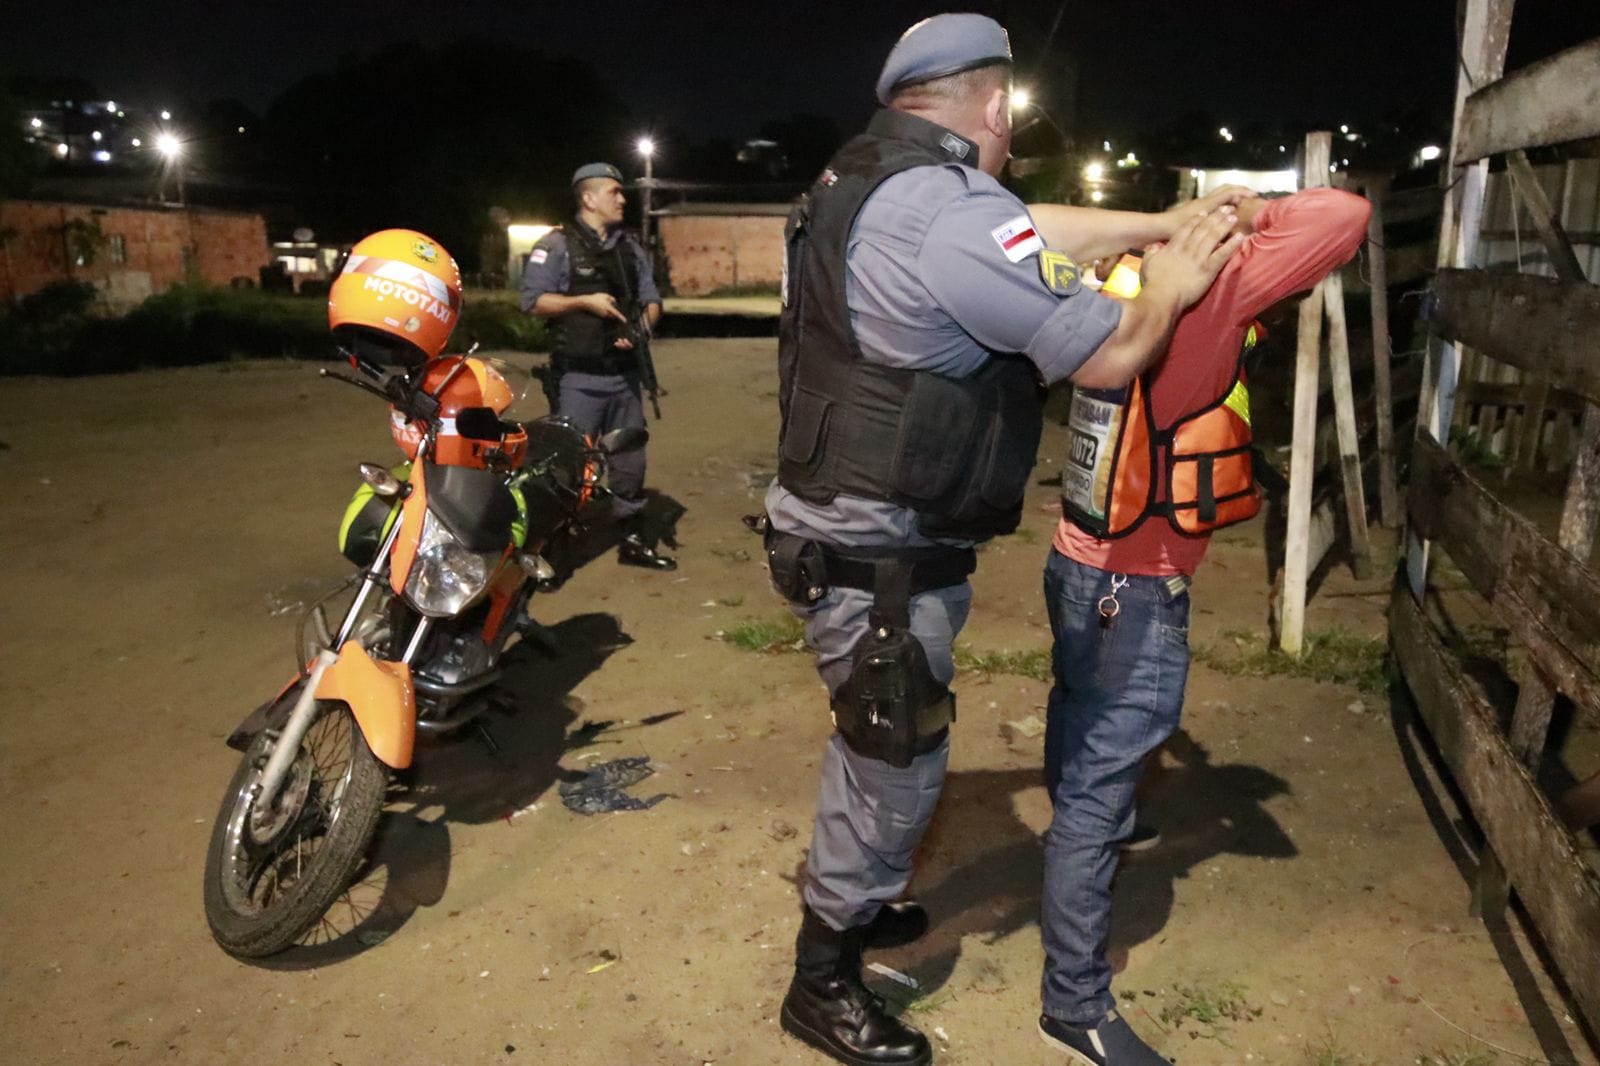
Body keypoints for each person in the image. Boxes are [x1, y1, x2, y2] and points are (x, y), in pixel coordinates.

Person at [761, 14, 1249, 1066]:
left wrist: (1148, 220)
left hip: (842, 527)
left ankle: (860, 900)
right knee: (896, 762)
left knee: (876, 742)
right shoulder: (945, 210)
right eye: (1011, 122)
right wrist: (1171, 281)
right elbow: (1114, 353)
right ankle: (821, 979)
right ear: (993, 108)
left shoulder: (870, 178)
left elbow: (1024, 228)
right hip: (877, 553)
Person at [1037, 185, 1373, 1063]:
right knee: (1102, 781)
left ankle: (1087, 823)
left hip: (1076, 560)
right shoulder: (1209, 287)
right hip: (1137, 585)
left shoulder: (1114, 276)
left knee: (1078, 710)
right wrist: (1244, 213)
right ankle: (1073, 1003)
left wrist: (1177, 223)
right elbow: (1343, 218)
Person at [520, 162, 676, 571]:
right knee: (568, 466)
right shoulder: (557, 245)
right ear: (588, 198)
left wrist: (640, 331)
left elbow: (653, 301)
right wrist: (582, 303)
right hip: (578, 378)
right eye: (614, 192)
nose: (623, 199)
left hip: (624, 377)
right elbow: (532, 301)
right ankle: (548, 550)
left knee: (630, 463)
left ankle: (632, 540)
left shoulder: (629, 248)